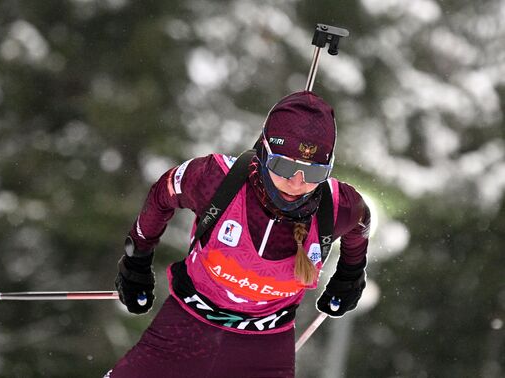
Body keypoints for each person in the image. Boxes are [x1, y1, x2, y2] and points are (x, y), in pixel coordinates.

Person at [105, 91, 370, 378]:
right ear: (264, 150)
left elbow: (362, 223)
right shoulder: (215, 179)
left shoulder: (337, 206)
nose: (297, 182)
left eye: (314, 172)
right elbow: (164, 192)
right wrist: (137, 259)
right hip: (185, 329)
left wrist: (350, 274)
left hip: (264, 347)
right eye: (284, 166)